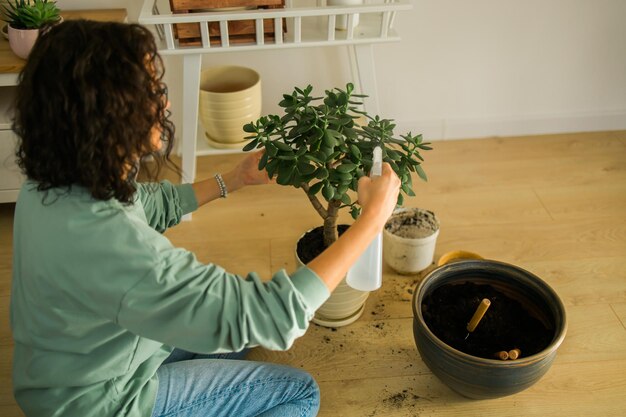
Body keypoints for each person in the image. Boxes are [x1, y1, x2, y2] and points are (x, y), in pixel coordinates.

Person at [10, 20, 401, 417]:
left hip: (69, 369)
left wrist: (233, 179)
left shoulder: (51, 183)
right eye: (153, 90)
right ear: (108, 114)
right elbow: (277, 313)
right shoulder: (118, 249)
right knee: (298, 393)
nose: (165, 103)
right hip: (102, 404)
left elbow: (146, 202)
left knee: (233, 339)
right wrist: (372, 219)